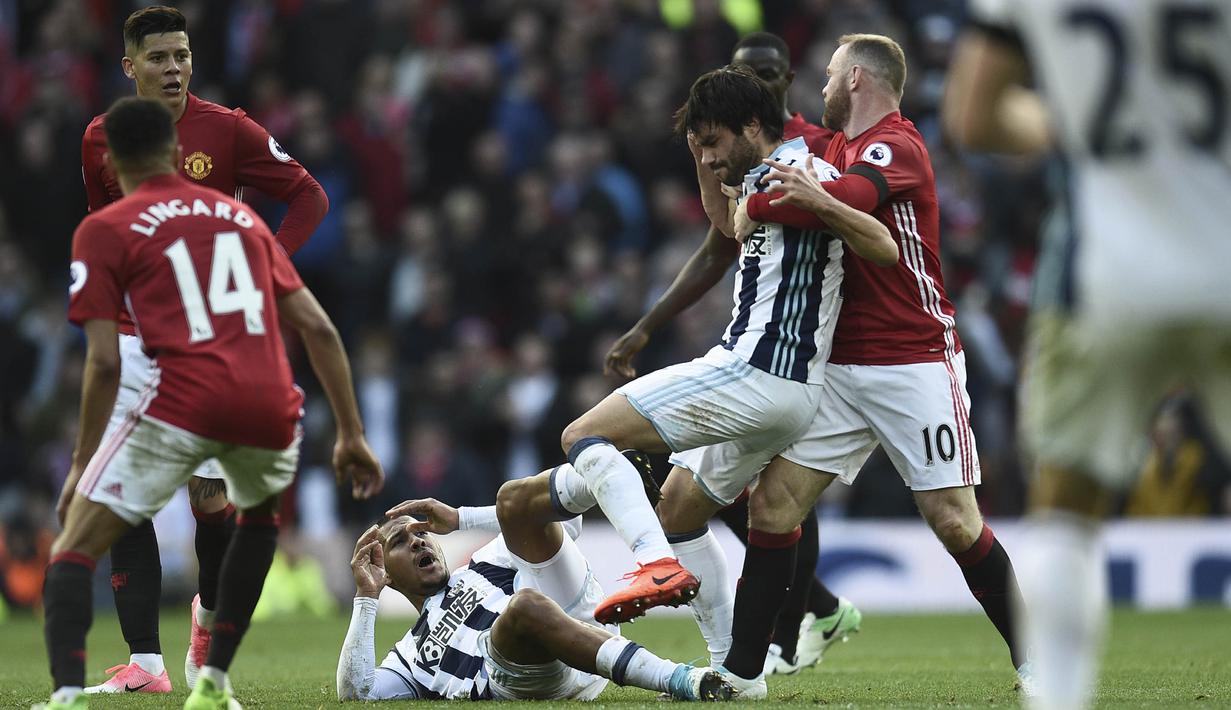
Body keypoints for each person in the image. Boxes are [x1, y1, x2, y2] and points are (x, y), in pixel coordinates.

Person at [671, 34, 1030, 697]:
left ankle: (1037, 659)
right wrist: (738, 179)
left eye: (831, 74)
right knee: (773, 506)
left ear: (858, 79)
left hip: (912, 360)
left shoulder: (895, 144)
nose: (823, 85)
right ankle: (742, 674)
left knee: (954, 521)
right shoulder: (828, 149)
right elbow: (766, 190)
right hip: (836, 365)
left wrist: (765, 201)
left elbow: (852, 200)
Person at [35, 96, 382, 710]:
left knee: (74, 545)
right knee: (251, 523)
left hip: (182, 393)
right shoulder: (238, 217)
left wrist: (79, 465)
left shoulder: (106, 228)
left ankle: (65, 697)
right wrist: (352, 432)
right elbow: (321, 330)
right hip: (270, 405)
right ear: (177, 152)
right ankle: (212, 680)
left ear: (111, 164)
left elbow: (104, 363)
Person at [942, 2, 1231, 708]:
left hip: (1104, 274)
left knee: (1066, 507)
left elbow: (972, 116)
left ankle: (1060, 698)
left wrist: (1064, 121)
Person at [558, 66, 896, 629]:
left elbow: (876, 243)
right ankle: (729, 664)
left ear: (751, 125)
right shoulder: (769, 178)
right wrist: (703, 155)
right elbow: (728, 228)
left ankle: (652, 563)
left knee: (581, 434)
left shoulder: (796, 175)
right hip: (784, 388)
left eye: (715, 142)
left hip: (754, 370)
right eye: (701, 147)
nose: (711, 158)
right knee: (677, 510)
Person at [75, 5, 330, 695]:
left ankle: (207, 618)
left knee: (211, 502)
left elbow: (308, 197)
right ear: (130, 66)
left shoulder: (229, 130)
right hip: (136, 339)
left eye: (182, 56)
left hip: (214, 342)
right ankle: (146, 665)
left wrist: (265, 267)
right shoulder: (101, 138)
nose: (174, 68)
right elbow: (102, 227)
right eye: (158, 57)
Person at [604, 31, 862, 678]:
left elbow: (853, 227)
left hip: (809, 353)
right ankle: (789, 627)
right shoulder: (735, 154)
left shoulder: (811, 151)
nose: (761, 83)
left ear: (783, 82)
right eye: (747, 73)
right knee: (735, 500)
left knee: (781, 499)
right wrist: (648, 325)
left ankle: (784, 630)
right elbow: (723, 240)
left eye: (768, 73)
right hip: (764, 347)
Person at [336, 458, 734, 702]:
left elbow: (566, 523)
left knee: (513, 500)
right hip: (522, 672)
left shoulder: (482, 562)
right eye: (400, 541)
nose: (418, 540)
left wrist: (461, 518)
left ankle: (609, 477)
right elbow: (357, 693)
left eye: (421, 532)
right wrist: (366, 597)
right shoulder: (409, 655)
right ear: (387, 574)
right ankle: (678, 679)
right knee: (524, 606)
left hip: (579, 618)